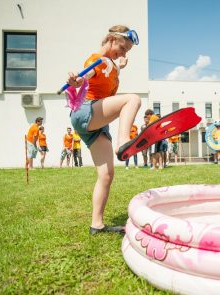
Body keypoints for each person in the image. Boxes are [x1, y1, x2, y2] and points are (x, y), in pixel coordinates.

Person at [67, 25, 140, 234]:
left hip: (95, 124)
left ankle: (96, 225)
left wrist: (120, 66)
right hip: (86, 111)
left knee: (106, 174)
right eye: (122, 48)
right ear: (110, 39)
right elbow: (86, 75)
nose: (123, 54)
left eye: (126, 51)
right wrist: (77, 80)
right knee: (133, 99)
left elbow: (109, 73)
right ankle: (124, 141)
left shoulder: (113, 66)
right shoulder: (96, 59)